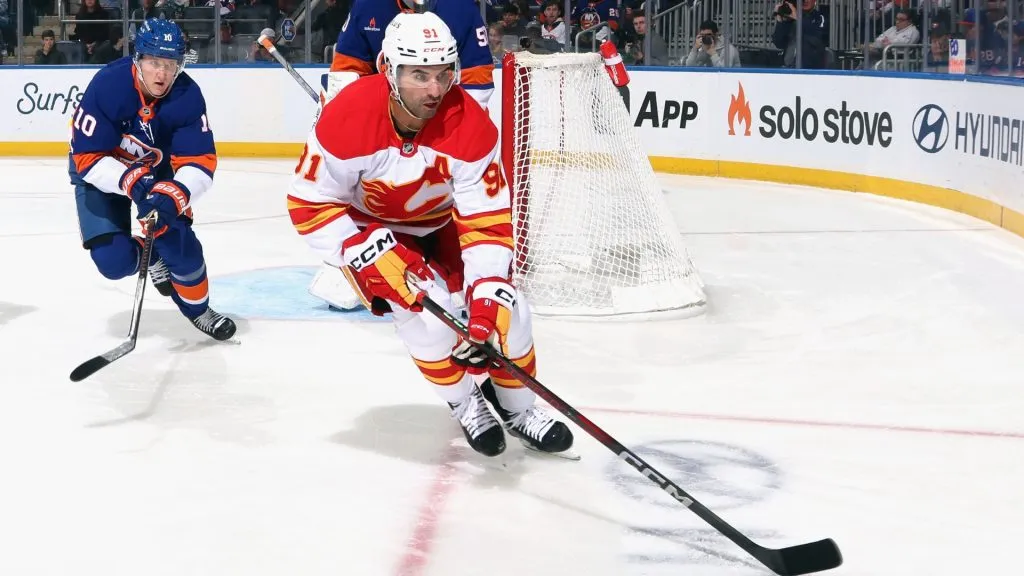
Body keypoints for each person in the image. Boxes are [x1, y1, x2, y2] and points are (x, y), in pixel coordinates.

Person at [287, 12, 574, 458]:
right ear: (388, 68)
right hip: (371, 230)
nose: (435, 90)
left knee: (507, 311)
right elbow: (308, 203)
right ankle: (465, 403)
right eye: (419, 75)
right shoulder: (346, 117)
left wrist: (485, 294)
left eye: (444, 74)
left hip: (442, 226)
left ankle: (518, 409)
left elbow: (486, 220)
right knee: (424, 319)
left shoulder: (470, 125)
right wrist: (357, 250)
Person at [312, 0, 495, 312]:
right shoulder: (369, 5)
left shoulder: (461, 8)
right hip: (381, 128)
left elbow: (478, 82)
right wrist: (346, 114)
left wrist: (438, 128)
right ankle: (365, 252)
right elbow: (347, 67)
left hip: (442, 131)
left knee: (475, 288)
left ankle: (446, 259)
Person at [68, 19, 236, 341]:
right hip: (103, 170)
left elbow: (199, 162)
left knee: (181, 249)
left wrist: (174, 194)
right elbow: (87, 158)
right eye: (154, 62)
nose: (162, 74)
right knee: (112, 261)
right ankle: (151, 257)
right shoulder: (108, 85)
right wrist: (131, 180)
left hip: (158, 175)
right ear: (138, 60)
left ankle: (199, 310)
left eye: (170, 64)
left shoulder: (187, 96)